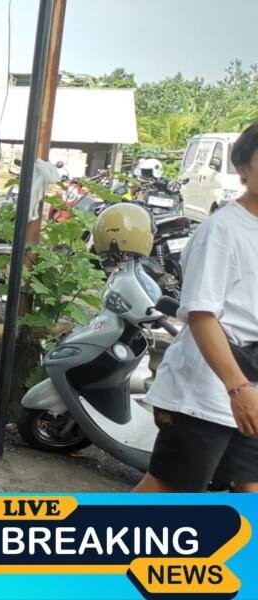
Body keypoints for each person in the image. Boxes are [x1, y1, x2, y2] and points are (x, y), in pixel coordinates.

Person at [134, 121, 258, 493]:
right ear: (243, 169)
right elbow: (202, 316)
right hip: (207, 391)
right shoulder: (222, 231)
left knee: (251, 487)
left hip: (250, 387)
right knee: (170, 488)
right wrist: (237, 389)